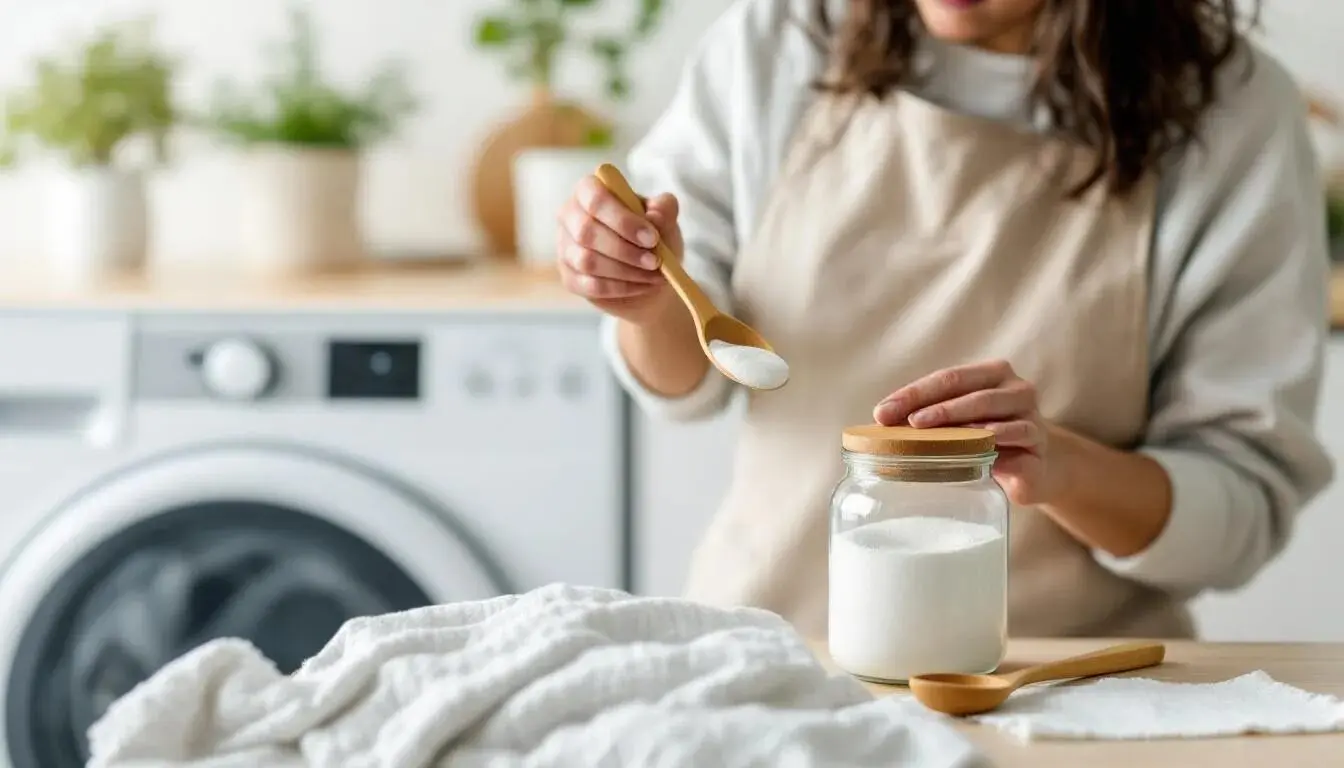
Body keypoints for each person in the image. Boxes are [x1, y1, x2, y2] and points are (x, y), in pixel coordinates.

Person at [555, 0, 1336, 639]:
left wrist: (1060, 466)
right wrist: (648, 303)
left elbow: (1239, 508)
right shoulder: (777, 43)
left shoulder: (1232, 111)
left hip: (1068, 686)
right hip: (771, 656)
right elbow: (686, 383)